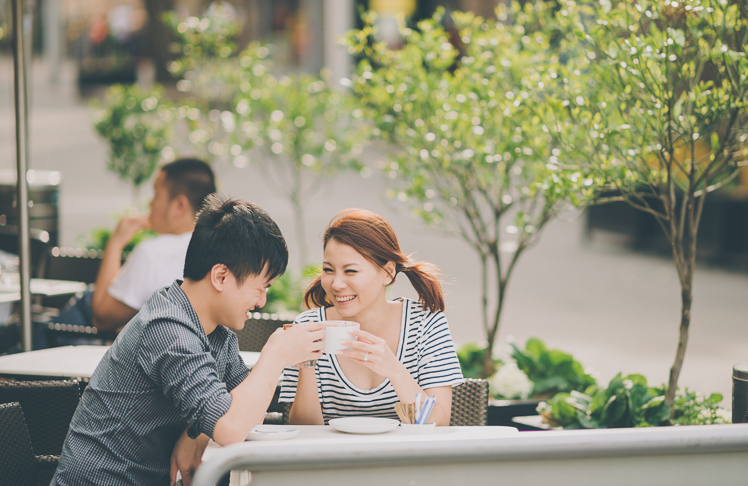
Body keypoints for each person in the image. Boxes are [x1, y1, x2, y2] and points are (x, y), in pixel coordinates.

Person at [51, 196, 325, 486]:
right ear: (220, 276)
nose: (262, 301)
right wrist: (276, 355)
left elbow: (244, 417)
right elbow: (231, 428)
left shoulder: (216, 333)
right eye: (261, 287)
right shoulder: (167, 328)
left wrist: (198, 431)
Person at [279, 209, 464, 426]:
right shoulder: (307, 327)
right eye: (329, 270)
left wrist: (394, 370)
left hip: (405, 458)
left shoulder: (426, 324)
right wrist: (307, 364)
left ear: (387, 273)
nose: (336, 284)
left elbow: (439, 424)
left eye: (350, 271)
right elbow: (305, 430)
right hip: (332, 458)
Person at [50, 158, 217, 338]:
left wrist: (115, 244)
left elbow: (102, 317)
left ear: (178, 206)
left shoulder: (152, 252)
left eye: (156, 194)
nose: (150, 203)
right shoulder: (219, 251)